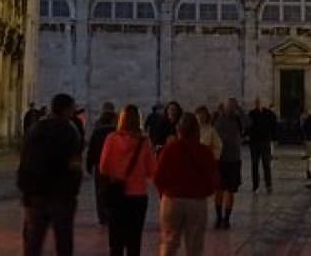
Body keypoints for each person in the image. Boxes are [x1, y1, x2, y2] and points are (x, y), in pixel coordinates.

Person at [18, 93, 84, 256]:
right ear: (67, 110)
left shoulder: (35, 129)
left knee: (33, 242)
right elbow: (75, 164)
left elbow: (24, 161)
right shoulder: (70, 132)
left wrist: (25, 189)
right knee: (64, 241)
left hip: (36, 194)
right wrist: (73, 191)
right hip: (61, 196)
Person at [154, 112, 218, 256]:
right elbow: (213, 178)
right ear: (197, 130)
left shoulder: (170, 149)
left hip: (172, 199)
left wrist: (164, 194)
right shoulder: (204, 151)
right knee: (194, 246)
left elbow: (158, 176)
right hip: (196, 201)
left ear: (179, 130)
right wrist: (204, 192)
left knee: (169, 243)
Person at [99, 104, 156, 256]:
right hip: (137, 196)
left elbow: (103, 167)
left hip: (116, 194)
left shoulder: (111, 139)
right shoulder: (144, 142)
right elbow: (152, 170)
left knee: (115, 241)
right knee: (134, 241)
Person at [212, 98, 244, 229]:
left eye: (233, 106)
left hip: (234, 159)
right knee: (218, 189)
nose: (231, 109)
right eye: (228, 106)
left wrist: (241, 111)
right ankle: (219, 217)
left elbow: (249, 123)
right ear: (224, 107)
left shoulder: (238, 119)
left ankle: (227, 218)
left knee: (230, 190)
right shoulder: (217, 119)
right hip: (220, 159)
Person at [86, 105, 119, 225]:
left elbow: (92, 149)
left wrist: (89, 164)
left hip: (100, 165)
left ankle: (102, 216)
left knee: (100, 191)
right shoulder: (117, 132)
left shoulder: (98, 131)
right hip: (115, 166)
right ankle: (113, 214)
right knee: (114, 191)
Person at [248, 97, 277, 193]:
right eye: (256, 102)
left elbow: (274, 123)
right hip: (254, 142)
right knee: (255, 165)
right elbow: (248, 126)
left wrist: (271, 135)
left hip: (265, 142)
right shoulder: (251, 113)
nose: (258, 104)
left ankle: (269, 185)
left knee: (266, 164)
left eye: (259, 102)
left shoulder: (268, 113)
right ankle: (255, 186)